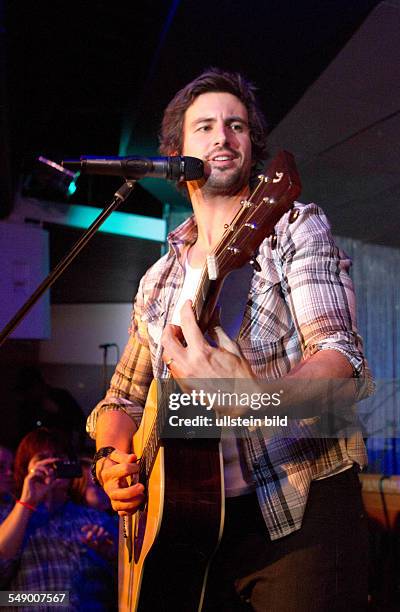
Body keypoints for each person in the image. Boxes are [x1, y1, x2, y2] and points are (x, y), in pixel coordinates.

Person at [86, 68, 374, 611]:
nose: (222, 137)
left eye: (236, 125)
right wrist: (110, 459)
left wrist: (250, 399)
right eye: (205, 127)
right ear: (176, 152)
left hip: (298, 511)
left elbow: (343, 369)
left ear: (251, 146)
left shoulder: (291, 228)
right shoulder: (159, 279)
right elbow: (120, 400)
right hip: (186, 526)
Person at [0, 428, 117, 610]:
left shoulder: (96, 519)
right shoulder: (7, 516)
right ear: (26, 470)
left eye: (59, 457)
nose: (54, 463)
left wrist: (108, 556)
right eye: (42, 458)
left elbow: (124, 588)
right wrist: (27, 501)